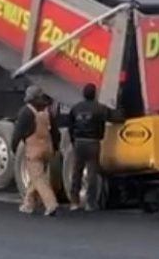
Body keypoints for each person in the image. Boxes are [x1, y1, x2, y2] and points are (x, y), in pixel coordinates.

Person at [67, 82, 121, 211]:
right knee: (92, 174)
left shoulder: (75, 108)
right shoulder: (100, 108)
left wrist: (73, 141)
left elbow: (70, 127)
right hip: (93, 142)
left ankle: (74, 202)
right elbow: (116, 117)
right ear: (95, 94)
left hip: (79, 142)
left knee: (76, 172)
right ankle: (90, 203)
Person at [12, 85, 60, 216]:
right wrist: (56, 147)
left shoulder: (26, 113)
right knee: (36, 176)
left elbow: (18, 133)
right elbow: (55, 132)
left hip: (33, 151)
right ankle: (28, 203)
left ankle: (51, 204)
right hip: (47, 149)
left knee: (38, 178)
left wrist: (13, 147)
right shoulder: (47, 111)